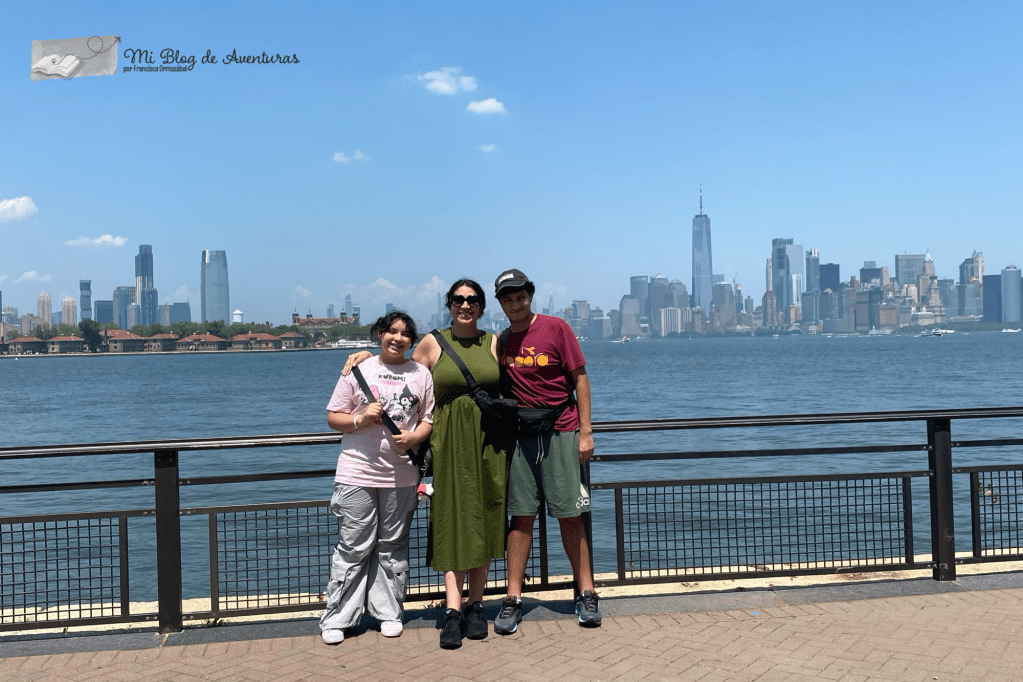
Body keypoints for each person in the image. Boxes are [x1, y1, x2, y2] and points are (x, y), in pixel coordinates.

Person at [343, 279, 510, 650]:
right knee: (451, 519)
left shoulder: (493, 341)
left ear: (482, 306)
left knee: (484, 517)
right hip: (448, 443)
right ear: (449, 305)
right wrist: (364, 357)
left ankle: (476, 605)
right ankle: (453, 612)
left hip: (489, 444)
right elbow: (401, 373)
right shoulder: (433, 342)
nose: (465, 306)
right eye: (458, 300)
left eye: (472, 300)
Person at [491, 268, 601, 635]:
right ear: (501, 304)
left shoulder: (556, 328)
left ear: (530, 296)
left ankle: (586, 592)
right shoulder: (502, 341)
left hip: (561, 429)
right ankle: (513, 598)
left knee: (570, 514)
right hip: (522, 434)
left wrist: (586, 432)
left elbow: (580, 378)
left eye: (520, 296)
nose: (515, 303)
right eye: (507, 298)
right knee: (520, 517)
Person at [319, 311, 434, 645]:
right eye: (391, 331)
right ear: (379, 335)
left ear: (412, 340)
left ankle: (388, 612)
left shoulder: (421, 374)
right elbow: (333, 417)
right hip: (356, 472)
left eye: (405, 334)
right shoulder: (359, 369)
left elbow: (428, 418)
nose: (397, 338)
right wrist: (360, 419)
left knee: (391, 546)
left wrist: (414, 438)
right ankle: (338, 617)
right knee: (354, 546)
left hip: (401, 474)